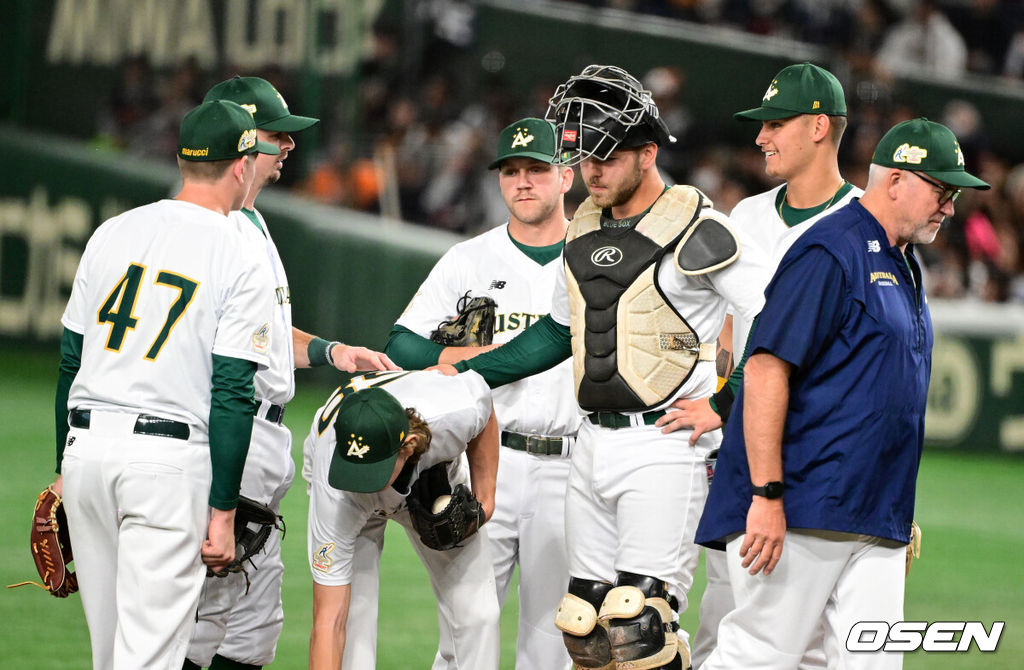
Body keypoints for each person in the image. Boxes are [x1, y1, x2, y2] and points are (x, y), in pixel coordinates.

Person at [439, 64, 773, 669]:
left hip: (664, 446)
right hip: (588, 443)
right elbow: (556, 333)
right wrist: (466, 376)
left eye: (607, 155)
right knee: (585, 629)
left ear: (647, 153)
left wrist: (724, 402)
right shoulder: (585, 225)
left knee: (641, 627)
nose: (591, 169)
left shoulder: (698, 226)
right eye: (583, 155)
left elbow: (784, 316)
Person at [694, 118, 989, 670]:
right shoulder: (830, 251)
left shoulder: (902, 260)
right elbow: (764, 372)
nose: (950, 206)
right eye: (942, 190)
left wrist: (892, 505)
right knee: (759, 656)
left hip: (871, 514)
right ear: (896, 181)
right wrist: (766, 494)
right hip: (800, 504)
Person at [52, 100, 280, 670]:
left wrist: (62, 472)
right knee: (150, 658)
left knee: (110, 658)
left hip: (87, 456)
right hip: (165, 464)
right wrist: (223, 511)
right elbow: (232, 391)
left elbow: (69, 362)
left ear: (182, 160)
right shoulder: (239, 250)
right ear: (240, 166)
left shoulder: (112, 231)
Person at [183, 76, 397, 670]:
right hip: (227, 435)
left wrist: (331, 352)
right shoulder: (211, 229)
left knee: (250, 638)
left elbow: (269, 336)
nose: (289, 148)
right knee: (196, 631)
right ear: (244, 144)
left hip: (263, 444)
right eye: (279, 137)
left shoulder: (250, 220)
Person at [686, 62, 863, 670]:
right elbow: (732, 338)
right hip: (741, 454)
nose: (761, 137)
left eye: (775, 123)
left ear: (819, 126)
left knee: (808, 644)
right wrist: (723, 412)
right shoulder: (748, 218)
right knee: (722, 625)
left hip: (819, 458)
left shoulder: (867, 223)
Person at [385, 117, 578, 669]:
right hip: (481, 464)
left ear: (566, 177)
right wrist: (461, 362)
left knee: (555, 640)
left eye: (537, 169)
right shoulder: (468, 259)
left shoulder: (594, 258)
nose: (522, 182)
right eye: (511, 170)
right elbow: (400, 345)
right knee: (465, 633)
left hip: (569, 464)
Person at [305, 369, 501, 669]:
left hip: (434, 480)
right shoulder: (336, 486)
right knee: (354, 614)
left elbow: (484, 410)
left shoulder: (452, 414)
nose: (362, 481)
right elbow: (327, 622)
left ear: (408, 446)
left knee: (479, 615)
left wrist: (485, 502)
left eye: (373, 471)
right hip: (347, 502)